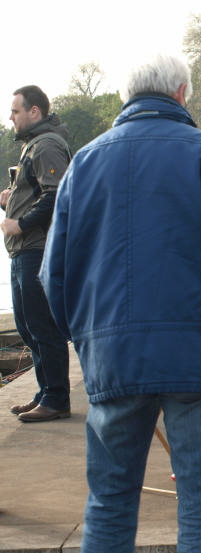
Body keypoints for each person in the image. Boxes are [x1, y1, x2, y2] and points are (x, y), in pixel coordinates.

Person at [39, 55, 201, 553]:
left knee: (108, 505)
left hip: (113, 359)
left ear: (127, 96)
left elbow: (52, 274)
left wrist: (87, 343)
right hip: (197, 359)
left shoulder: (84, 162)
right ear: (181, 92)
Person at [0, 85, 71, 422]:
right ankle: (46, 393)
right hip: (26, 251)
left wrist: (21, 223)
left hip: (36, 250)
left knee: (42, 326)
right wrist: (12, 198)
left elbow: (56, 194)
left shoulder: (46, 145)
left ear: (34, 112)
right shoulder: (36, 144)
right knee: (29, 328)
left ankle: (56, 398)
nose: (10, 117)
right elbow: (40, 191)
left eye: (15, 111)